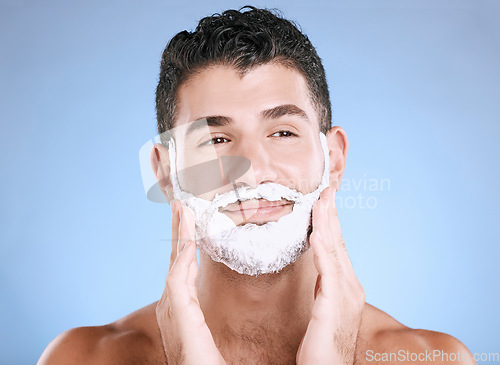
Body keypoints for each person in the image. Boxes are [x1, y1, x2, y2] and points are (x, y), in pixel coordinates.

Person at [38, 6, 475, 365]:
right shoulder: (80, 358)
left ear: (334, 159)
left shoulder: (431, 359)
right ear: (166, 173)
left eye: (283, 132)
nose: (252, 168)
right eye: (216, 140)